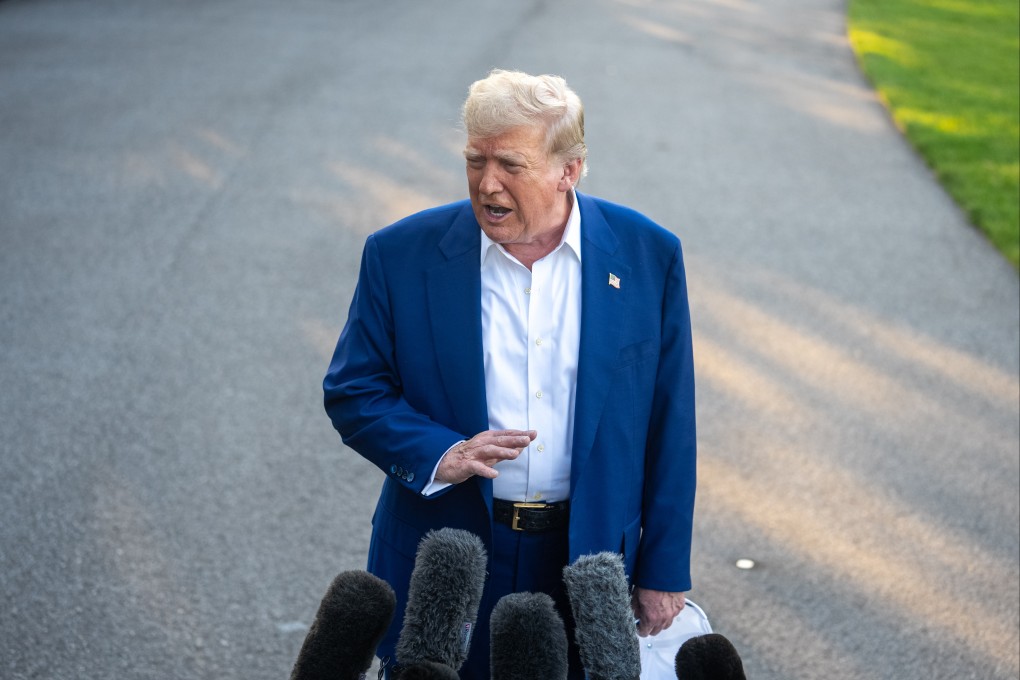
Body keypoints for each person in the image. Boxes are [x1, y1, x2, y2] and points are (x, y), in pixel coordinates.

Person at [323, 68, 697, 680]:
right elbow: (353, 389)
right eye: (476, 161)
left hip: (590, 557)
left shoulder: (647, 254)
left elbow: (670, 418)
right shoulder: (399, 254)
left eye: (510, 165)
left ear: (568, 170)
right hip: (446, 553)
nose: (487, 183)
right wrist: (440, 454)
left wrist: (664, 568)